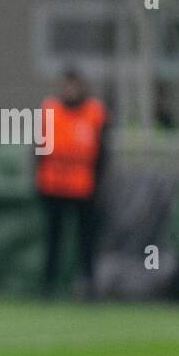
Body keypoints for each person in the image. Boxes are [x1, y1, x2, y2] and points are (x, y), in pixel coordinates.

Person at [36, 69, 109, 299]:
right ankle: (48, 286)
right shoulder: (50, 109)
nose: (70, 90)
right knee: (53, 239)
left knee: (85, 241)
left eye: (74, 85)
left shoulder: (94, 112)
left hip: (83, 187)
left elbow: (102, 153)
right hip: (54, 185)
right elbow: (39, 148)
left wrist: (99, 185)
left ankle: (87, 285)